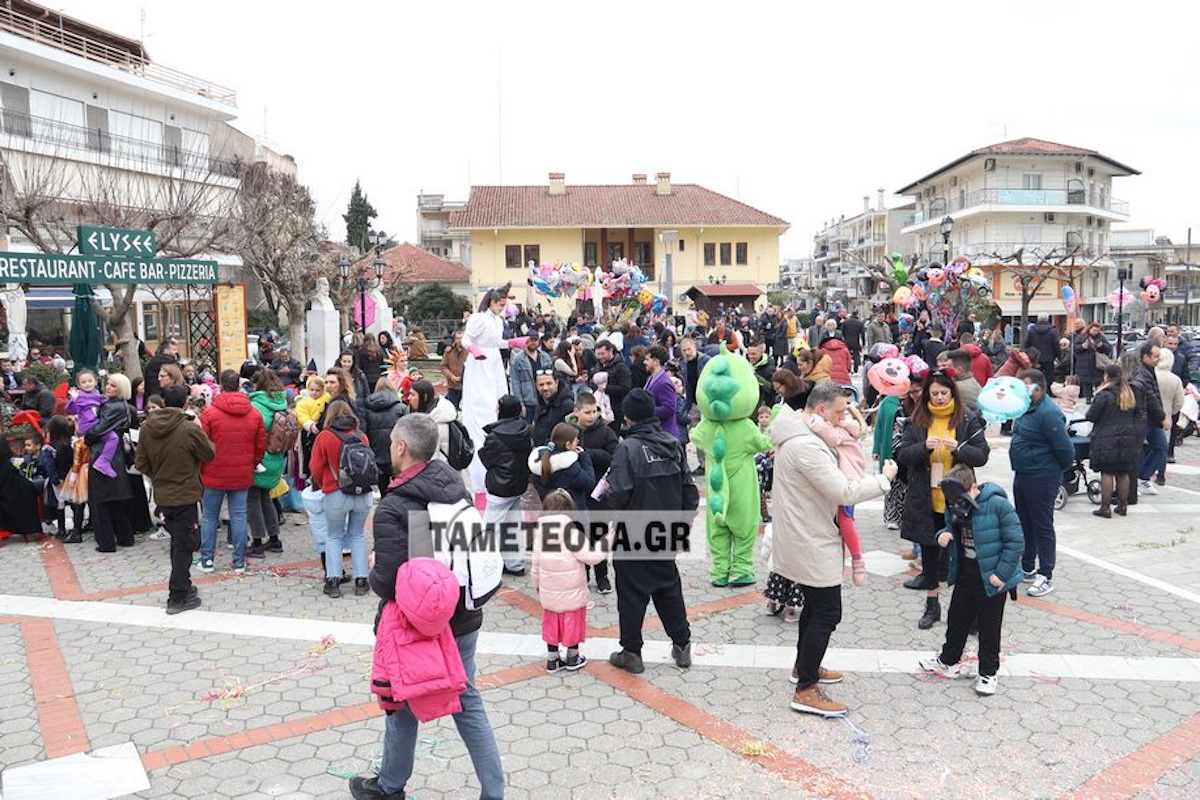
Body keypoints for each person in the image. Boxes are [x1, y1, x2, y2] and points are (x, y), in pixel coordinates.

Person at [352, 415, 504, 800]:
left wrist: (374, 569)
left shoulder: (397, 505)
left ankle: (390, 786)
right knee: (467, 701)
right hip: (465, 615)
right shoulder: (455, 487)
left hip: (419, 624)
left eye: (391, 445)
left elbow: (388, 581)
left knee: (401, 701)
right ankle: (494, 791)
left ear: (401, 448)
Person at [768, 382, 897, 717]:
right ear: (821, 409)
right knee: (827, 611)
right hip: (810, 538)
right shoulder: (806, 446)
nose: (843, 420)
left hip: (806, 533)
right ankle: (806, 689)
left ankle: (804, 666)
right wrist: (884, 480)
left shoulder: (802, 435)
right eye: (839, 412)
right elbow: (843, 490)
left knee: (815, 607)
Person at [605, 389, 699, 675]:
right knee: (668, 586)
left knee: (631, 593)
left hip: (633, 532)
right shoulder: (672, 443)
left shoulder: (628, 448)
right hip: (667, 529)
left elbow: (619, 493)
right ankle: (682, 644)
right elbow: (689, 492)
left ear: (629, 417)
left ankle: (632, 651)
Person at [918, 464, 1025, 696]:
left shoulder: (998, 505)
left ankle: (988, 673)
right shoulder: (957, 505)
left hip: (992, 576)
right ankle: (949, 660)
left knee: (989, 626)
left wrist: (1002, 575)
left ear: (974, 487)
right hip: (966, 570)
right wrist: (942, 535)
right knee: (956, 618)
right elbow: (948, 527)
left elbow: (1015, 541)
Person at [894, 371, 990, 629]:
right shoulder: (917, 420)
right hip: (926, 498)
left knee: (964, 555)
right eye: (934, 393)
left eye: (943, 393)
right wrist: (923, 446)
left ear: (952, 394)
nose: (938, 398)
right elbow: (902, 454)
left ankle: (967, 612)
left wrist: (958, 448)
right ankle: (932, 605)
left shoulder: (967, 418)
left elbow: (981, 455)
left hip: (957, 498)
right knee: (930, 554)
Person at [135, 385, 215, 614]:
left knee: (178, 543)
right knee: (184, 545)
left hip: (163, 494)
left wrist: (158, 477)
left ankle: (183, 586)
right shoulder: (188, 428)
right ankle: (177, 595)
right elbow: (209, 454)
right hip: (185, 494)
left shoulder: (147, 428)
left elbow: (141, 462)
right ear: (184, 404)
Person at [1009, 369, 1075, 598]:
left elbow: (1065, 449)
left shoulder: (1048, 413)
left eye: (1025, 387)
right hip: (1023, 474)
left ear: (1038, 389)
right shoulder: (1025, 408)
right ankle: (1027, 566)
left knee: (1042, 526)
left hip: (1042, 476)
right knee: (1024, 522)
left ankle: (1045, 574)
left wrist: (1055, 471)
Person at [532, 489, 609, 672]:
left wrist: (538, 586)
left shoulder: (540, 533)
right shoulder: (571, 533)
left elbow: (535, 565)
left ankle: (553, 659)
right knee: (572, 622)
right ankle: (573, 657)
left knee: (552, 623)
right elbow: (592, 557)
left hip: (549, 592)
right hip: (572, 591)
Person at [198, 370, 267, 574]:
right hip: (242, 472)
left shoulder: (209, 413)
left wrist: (204, 465)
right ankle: (239, 562)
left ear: (220, 384)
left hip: (213, 472)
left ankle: (207, 560)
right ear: (239, 385)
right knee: (239, 516)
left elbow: (202, 443)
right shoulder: (253, 413)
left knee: (210, 517)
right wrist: (252, 463)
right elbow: (260, 443)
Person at [461, 283, 526, 498]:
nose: (502, 307)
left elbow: (496, 342)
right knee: (482, 407)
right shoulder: (479, 318)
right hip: (480, 363)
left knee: (499, 399)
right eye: (500, 304)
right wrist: (473, 349)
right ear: (491, 301)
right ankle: (479, 478)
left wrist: (512, 343)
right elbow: (465, 338)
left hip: (494, 362)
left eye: (504, 304)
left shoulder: (498, 320)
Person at [309, 399, 373, 598]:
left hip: (336, 492)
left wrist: (325, 483)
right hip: (363, 493)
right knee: (357, 535)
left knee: (334, 536)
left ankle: (334, 581)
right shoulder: (361, 435)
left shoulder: (325, 436)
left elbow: (315, 467)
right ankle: (361, 580)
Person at [807, 402, 869, 585]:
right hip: (839, 480)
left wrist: (815, 421)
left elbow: (833, 438)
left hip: (847, 481)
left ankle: (857, 559)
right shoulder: (843, 426)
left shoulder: (842, 429)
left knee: (845, 520)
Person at [567, 391, 618, 593]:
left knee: (599, 535)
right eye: (587, 412)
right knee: (579, 537)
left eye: (594, 411)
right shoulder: (567, 431)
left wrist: (589, 454)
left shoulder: (606, 432)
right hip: (576, 495)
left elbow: (615, 457)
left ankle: (602, 576)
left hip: (600, 495)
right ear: (576, 411)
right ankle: (582, 576)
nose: (591, 416)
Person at [478, 395, 533, 575]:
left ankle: (485, 564)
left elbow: (487, 458)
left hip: (500, 485)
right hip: (518, 483)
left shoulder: (495, 436)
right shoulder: (525, 429)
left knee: (490, 526)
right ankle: (515, 564)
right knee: (513, 523)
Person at [86, 374, 136, 552]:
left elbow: (98, 430)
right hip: (112, 456)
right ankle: (124, 537)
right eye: (108, 384)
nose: (108, 387)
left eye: (113, 385)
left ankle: (107, 542)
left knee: (102, 502)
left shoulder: (114, 407)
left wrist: (87, 436)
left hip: (105, 456)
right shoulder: (115, 405)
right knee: (114, 501)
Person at [1086, 364, 1140, 517]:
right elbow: (1137, 413)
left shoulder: (1104, 395)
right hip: (1127, 438)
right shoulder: (1128, 393)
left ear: (1107, 376)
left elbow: (1091, 415)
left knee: (1107, 472)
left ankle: (1105, 507)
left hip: (1107, 438)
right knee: (1123, 472)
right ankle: (1123, 506)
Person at [246, 368, 289, 558]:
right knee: (266, 498)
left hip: (260, 458)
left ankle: (257, 542)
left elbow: (254, 430)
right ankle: (274, 539)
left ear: (257, 384)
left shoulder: (257, 405)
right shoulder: (280, 402)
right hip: (276, 457)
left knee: (252, 501)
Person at [529, 422, 596, 515]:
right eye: (576, 441)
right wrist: (584, 457)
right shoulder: (569, 466)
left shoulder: (540, 460)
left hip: (549, 511)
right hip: (573, 512)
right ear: (568, 444)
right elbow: (589, 482)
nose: (577, 443)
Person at [1132, 342, 1169, 497]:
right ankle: (1133, 481)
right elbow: (1151, 398)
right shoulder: (1142, 373)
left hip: (1151, 419)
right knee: (1137, 449)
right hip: (1145, 418)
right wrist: (1162, 417)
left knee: (1161, 447)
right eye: (1155, 356)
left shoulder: (1149, 371)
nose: (1158, 359)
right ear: (1145, 356)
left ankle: (1143, 476)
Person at [66, 369, 118, 478]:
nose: (87, 384)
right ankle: (103, 461)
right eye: (84, 382)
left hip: (94, 422)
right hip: (89, 424)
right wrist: (74, 399)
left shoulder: (96, 393)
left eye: (90, 381)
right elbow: (72, 409)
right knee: (113, 437)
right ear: (79, 385)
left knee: (112, 437)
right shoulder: (80, 396)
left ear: (95, 382)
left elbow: (100, 401)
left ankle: (103, 460)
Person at [363, 376, 406, 496]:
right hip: (397, 455)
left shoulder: (368, 410)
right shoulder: (401, 408)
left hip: (376, 455)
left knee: (383, 491)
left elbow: (365, 432)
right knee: (401, 490)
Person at [1152, 345, 1185, 486]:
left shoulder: (1151, 374)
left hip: (1150, 415)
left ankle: (1145, 472)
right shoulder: (1175, 379)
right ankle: (1161, 474)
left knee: (1147, 445)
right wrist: (1172, 411)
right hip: (1166, 415)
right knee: (1163, 447)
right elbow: (1179, 401)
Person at [405, 379, 459, 464]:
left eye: (412, 395)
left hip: (441, 471)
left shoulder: (435, 422)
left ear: (424, 397)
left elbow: (431, 458)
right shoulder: (429, 416)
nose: (409, 398)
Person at [591, 338, 632, 436]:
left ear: (610, 351)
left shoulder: (621, 367)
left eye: (602, 353)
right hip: (600, 408)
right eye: (598, 354)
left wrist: (607, 388)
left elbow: (626, 388)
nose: (600, 357)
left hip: (616, 410)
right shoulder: (598, 366)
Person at [510, 330, 551, 423]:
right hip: (527, 401)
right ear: (526, 340)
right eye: (531, 339)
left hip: (544, 399)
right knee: (526, 429)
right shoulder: (518, 359)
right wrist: (520, 404)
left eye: (535, 340)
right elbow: (515, 382)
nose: (533, 342)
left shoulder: (546, 357)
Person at [643, 345, 682, 440]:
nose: (644, 362)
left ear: (656, 361)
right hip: (656, 432)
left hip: (664, 434)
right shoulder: (651, 378)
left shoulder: (664, 382)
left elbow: (669, 408)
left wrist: (646, 411)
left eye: (647, 359)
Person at [531, 371, 574, 446]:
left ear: (556, 383)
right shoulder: (539, 403)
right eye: (541, 385)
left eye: (549, 383)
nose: (545, 388)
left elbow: (565, 436)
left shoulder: (567, 405)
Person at [1024, 314, 1060, 387]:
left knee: (1035, 375)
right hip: (1049, 358)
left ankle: (1035, 389)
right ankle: (1047, 391)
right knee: (1048, 376)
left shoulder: (1031, 330)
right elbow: (1056, 345)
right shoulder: (1052, 331)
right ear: (1047, 319)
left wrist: (1029, 354)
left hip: (1034, 357)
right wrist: (1058, 356)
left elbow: (1027, 344)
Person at [439, 328, 467, 409]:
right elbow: (443, 366)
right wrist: (451, 376)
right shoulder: (449, 351)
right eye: (458, 338)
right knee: (452, 408)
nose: (460, 340)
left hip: (467, 385)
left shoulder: (469, 352)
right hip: (453, 384)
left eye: (462, 338)